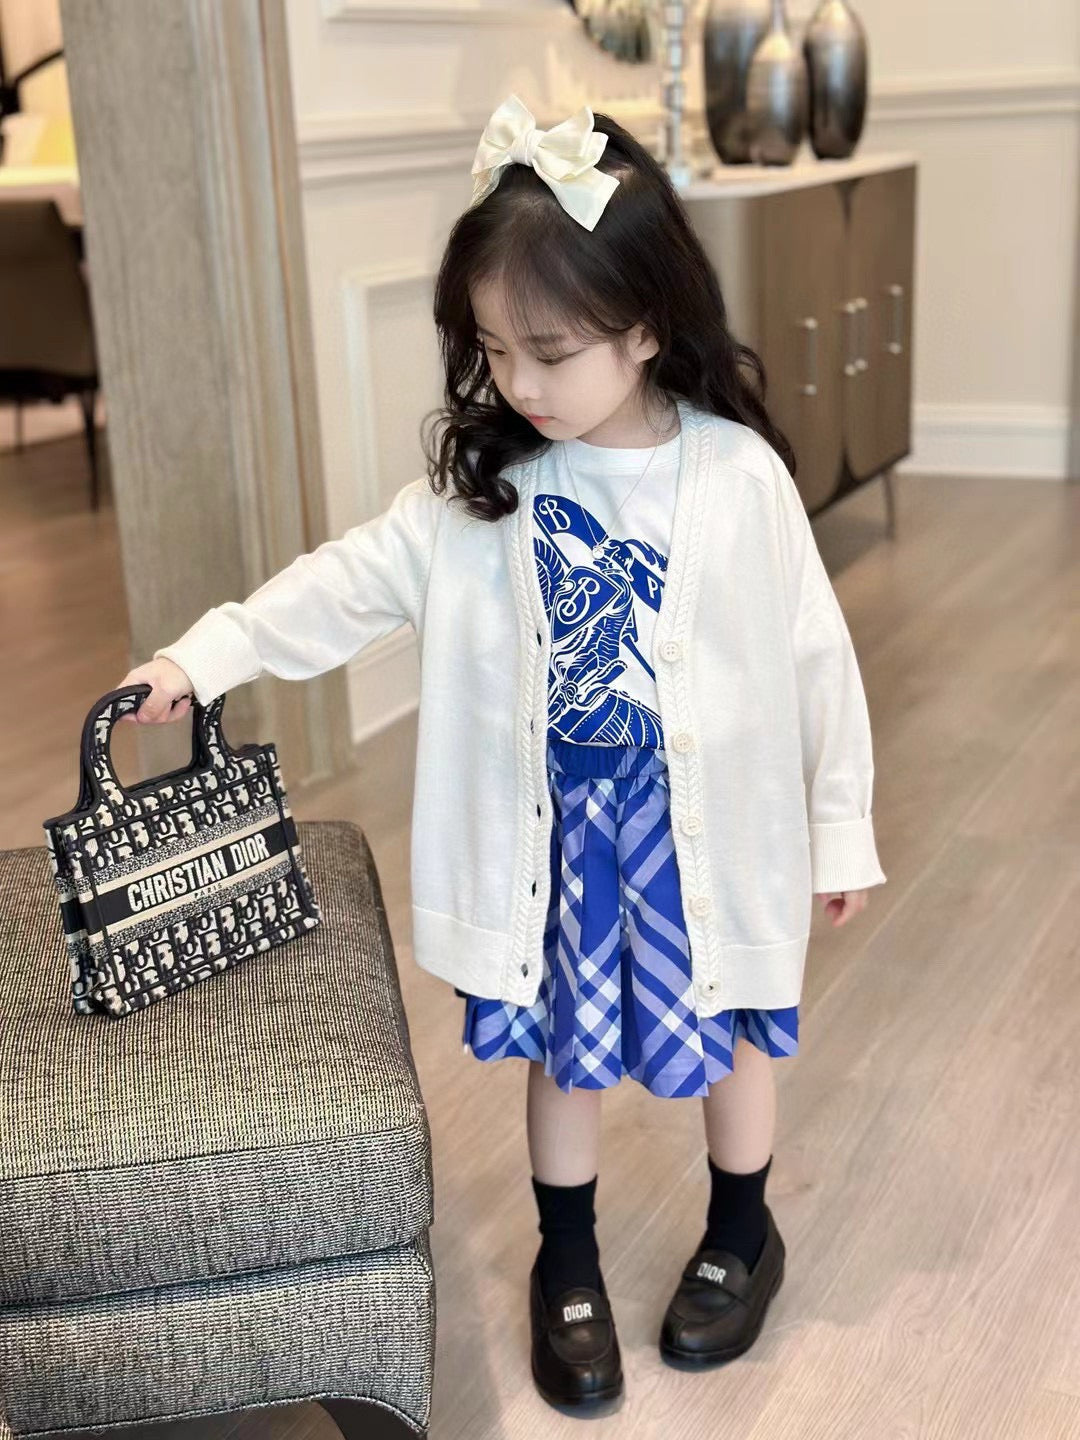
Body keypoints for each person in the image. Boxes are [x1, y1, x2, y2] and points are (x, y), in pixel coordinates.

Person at [117, 93, 887, 1411]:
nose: (517, 384)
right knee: (562, 1050)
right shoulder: (485, 497)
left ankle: (743, 1229)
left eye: (549, 351)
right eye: (491, 349)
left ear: (645, 329)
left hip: (706, 836)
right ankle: (566, 1259)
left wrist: (838, 829)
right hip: (564, 838)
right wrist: (206, 656)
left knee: (734, 1033)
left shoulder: (738, 480)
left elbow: (820, 660)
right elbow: (343, 584)